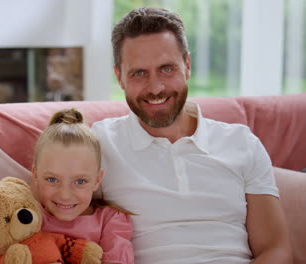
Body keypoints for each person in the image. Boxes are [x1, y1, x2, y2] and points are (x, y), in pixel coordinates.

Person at [91, 7, 293, 264]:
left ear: (187, 66)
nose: (155, 88)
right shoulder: (99, 143)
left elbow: (275, 249)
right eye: (139, 73)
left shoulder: (242, 143)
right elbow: (47, 192)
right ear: (119, 77)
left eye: (166, 69)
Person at [32, 108, 134, 264]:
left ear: (97, 180)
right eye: (52, 179)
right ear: (35, 175)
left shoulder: (110, 221)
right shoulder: (27, 217)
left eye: (80, 181)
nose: (65, 195)